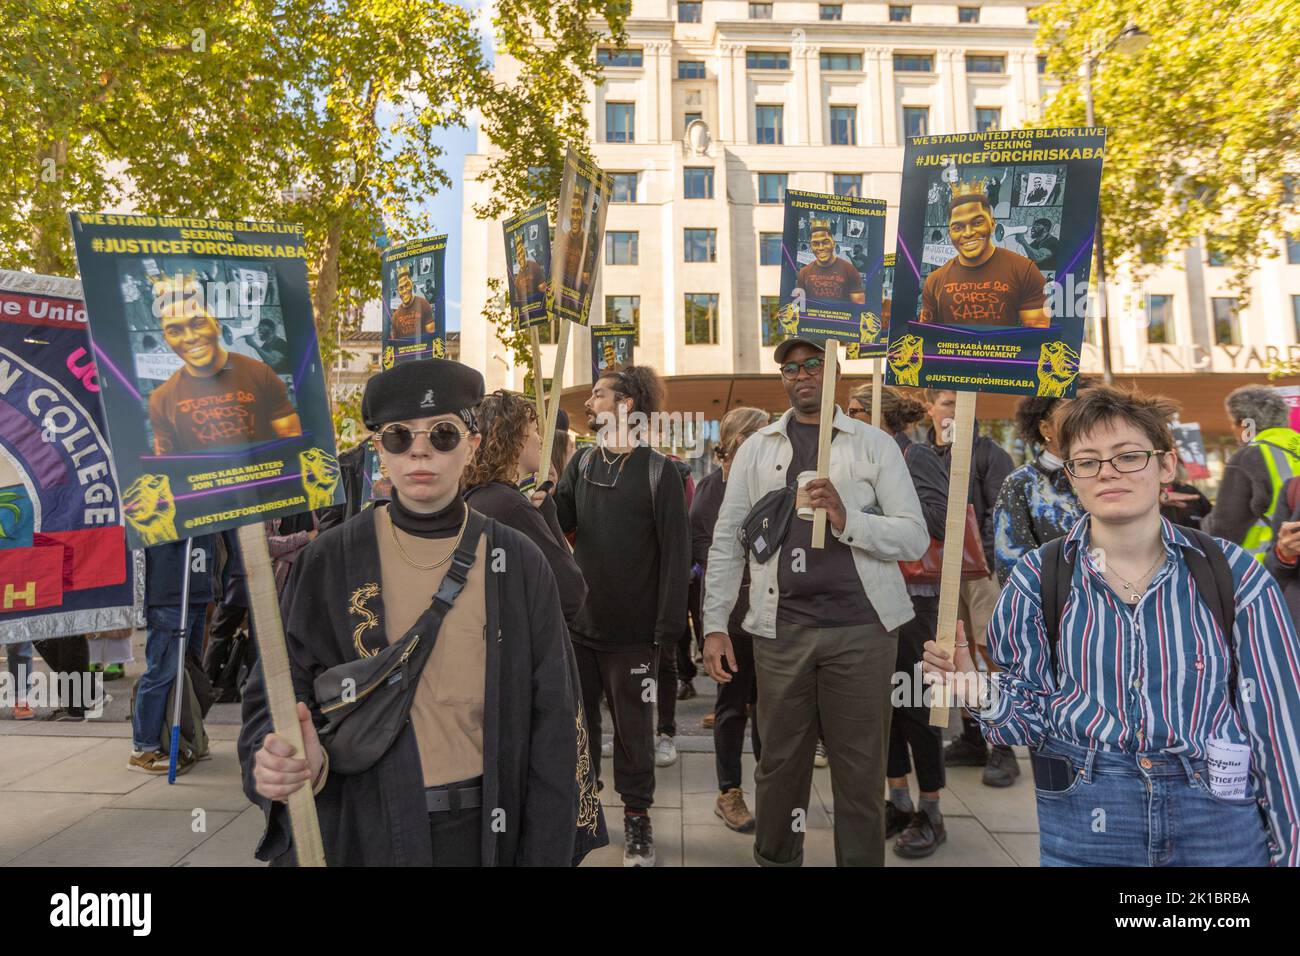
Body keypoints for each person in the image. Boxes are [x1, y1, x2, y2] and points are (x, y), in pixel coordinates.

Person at [239, 358, 596, 866]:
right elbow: (275, 689)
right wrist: (281, 756)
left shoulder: (517, 561)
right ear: (380, 451)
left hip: (485, 835)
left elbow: (556, 719)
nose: (420, 449)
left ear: (472, 445)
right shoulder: (329, 559)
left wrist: (544, 853)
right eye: (399, 436)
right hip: (361, 829)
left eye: (443, 433)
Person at [924, 386, 1300, 866]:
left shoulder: (1234, 574)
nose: (1107, 472)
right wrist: (976, 689)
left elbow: (1278, 726)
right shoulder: (1039, 579)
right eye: (1088, 460)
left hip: (1216, 816)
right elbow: (1028, 721)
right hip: (1087, 816)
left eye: (1127, 456)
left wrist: (1290, 849)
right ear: (1072, 476)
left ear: (1165, 466)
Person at [703, 337, 928, 867]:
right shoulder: (759, 447)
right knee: (779, 765)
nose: (800, 375)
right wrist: (714, 624)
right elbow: (728, 538)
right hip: (780, 631)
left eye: (812, 365)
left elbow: (914, 537)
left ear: (834, 372)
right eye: (789, 368)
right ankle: (777, 858)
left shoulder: (874, 445)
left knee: (859, 769)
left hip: (863, 630)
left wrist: (849, 519)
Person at [554, 365, 690, 867]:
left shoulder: (661, 473)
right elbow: (560, 524)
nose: (588, 404)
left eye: (597, 395)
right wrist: (541, 498)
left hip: (635, 635)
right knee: (579, 729)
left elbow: (677, 557)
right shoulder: (583, 463)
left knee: (635, 734)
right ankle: (584, 814)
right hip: (581, 627)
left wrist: (669, 628)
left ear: (626, 404)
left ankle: (637, 821)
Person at [849, 385, 950, 857]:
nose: (847, 418)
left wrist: (870, 513)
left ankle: (930, 809)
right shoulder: (858, 458)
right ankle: (898, 799)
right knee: (881, 705)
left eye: (855, 410)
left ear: (881, 415)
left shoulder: (915, 456)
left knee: (915, 704)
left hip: (914, 596)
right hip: (870, 594)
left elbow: (938, 518)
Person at [923, 387, 1015, 786]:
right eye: (947, 401)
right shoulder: (920, 453)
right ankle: (972, 737)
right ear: (929, 408)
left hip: (980, 572)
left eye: (964, 402)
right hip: (938, 571)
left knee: (989, 652)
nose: (957, 410)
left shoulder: (990, 453)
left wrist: (986, 562)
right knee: (951, 650)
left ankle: (1004, 745)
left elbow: (1003, 511)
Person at [693, 406, 767, 832]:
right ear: (738, 440)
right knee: (732, 706)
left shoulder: (768, 480)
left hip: (770, 614)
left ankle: (770, 787)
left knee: (769, 709)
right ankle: (729, 792)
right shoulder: (710, 490)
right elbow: (712, 557)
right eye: (759, 434)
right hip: (733, 618)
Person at [462, 389, 587, 625]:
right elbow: (571, 594)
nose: (540, 439)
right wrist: (547, 516)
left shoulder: (477, 497)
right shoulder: (511, 508)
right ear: (514, 438)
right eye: (533, 430)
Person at [147, 274, 302, 454]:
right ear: (166, 340)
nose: (189, 338)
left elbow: (292, 443)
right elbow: (168, 466)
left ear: (217, 325)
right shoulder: (160, 399)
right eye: (174, 331)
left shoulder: (261, 374)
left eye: (198, 323)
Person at [130, 535, 216, 774]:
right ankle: (144, 747)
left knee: (189, 670)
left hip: (198, 588)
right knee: (162, 671)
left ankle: (188, 736)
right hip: (171, 592)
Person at [918, 182, 1050, 328]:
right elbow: (926, 338)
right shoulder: (934, 281)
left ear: (992, 225)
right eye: (957, 227)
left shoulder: (1025, 271)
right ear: (950, 235)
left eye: (977, 222)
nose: (968, 233)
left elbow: (1037, 338)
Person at [1205, 384, 1300, 561]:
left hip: (1268, 569)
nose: (1233, 430)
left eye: (1233, 423)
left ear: (1245, 424)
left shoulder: (1250, 456)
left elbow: (1225, 528)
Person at [795, 220, 866, 304]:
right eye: (815, 243)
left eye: (826, 242)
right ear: (811, 247)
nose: (821, 248)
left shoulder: (850, 270)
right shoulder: (804, 272)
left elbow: (858, 305)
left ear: (833, 243)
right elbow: (799, 302)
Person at [509, 235, 547, 324]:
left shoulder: (533, 265)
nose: (521, 256)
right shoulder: (518, 278)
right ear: (517, 258)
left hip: (538, 306)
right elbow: (519, 300)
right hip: (527, 312)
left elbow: (543, 288)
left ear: (525, 253)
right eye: (518, 255)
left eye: (522, 253)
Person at [390, 267, 434, 339]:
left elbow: (431, 336)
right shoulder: (395, 316)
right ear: (398, 291)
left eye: (407, 285)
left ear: (412, 285)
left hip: (422, 349)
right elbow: (394, 343)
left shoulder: (424, 304)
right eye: (401, 288)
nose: (404, 291)